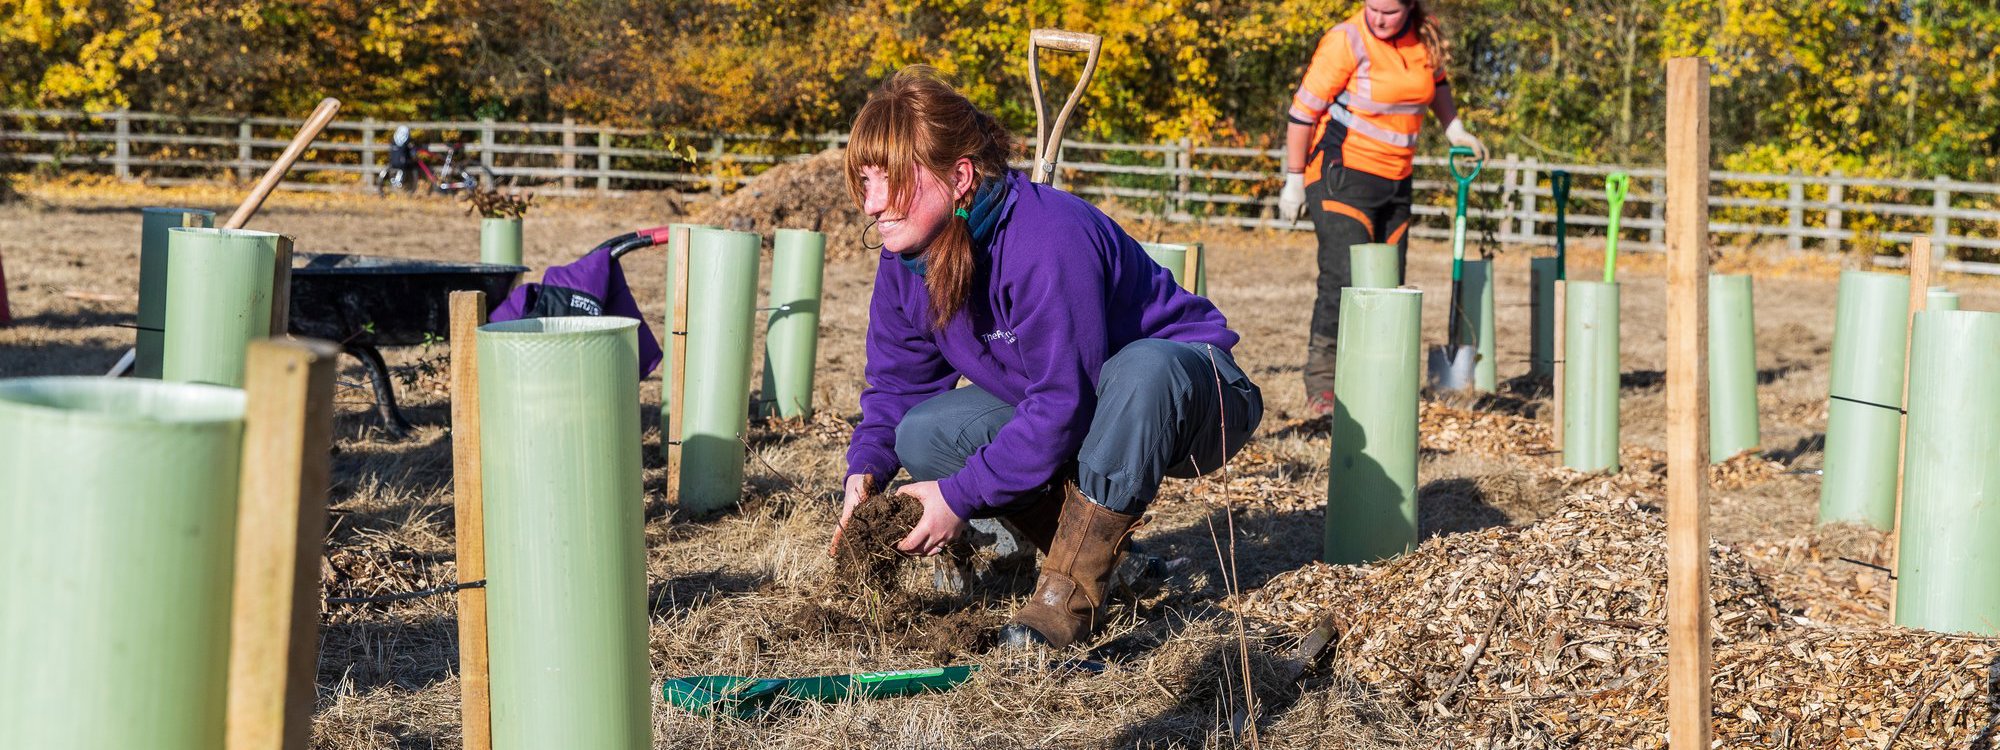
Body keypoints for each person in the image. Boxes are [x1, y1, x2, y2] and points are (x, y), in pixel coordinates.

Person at [827, 67, 1263, 649]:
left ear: (958, 177)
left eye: (891, 180)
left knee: (1143, 370)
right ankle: (1115, 563)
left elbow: (1061, 402)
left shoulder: (1044, 238)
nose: (872, 203)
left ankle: (1069, 596)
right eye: (865, 180)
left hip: (1193, 394)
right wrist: (867, 470)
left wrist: (958, 496)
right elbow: (897, 386)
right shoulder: (907, 261)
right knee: (923, 432)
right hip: (1081, 403)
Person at [1275, 0, 1486, 412]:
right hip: (1340, 173)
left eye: (1389, 11)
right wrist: (1294, 179)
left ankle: (1376, 379)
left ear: (1410, 7)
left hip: (1395, 181)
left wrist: (1454, 128)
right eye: (1372, 7)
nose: (1378, 18)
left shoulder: (1425, 36)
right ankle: (1322, 383)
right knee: (1343, 278)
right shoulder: (1345, 41)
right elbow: (1302, 113)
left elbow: (1437, 85)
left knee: (1388, 284)